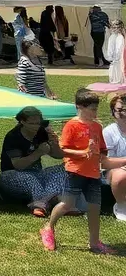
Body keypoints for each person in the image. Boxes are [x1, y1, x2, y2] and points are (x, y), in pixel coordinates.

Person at [41, 89, 116, 254]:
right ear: (79, 107)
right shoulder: (72, 125)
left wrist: (101, 154)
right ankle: (48, 228)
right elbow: (63, 150)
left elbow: (102, 148)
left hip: (94, 172)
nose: (95, 113)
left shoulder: (96, 126)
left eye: (96, 109)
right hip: (75, 171)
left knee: (95, 208)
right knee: (67, 204)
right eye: (92, 109)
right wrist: (83, 153)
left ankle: (95, 243)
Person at [0, 106, 67, 217]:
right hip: (11, 175)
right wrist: (38, 152)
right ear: (22, 122)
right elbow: (18, 165)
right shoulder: (13, 136)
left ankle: (46, 199)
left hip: (38, 173)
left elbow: (58, 155)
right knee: (30, 179)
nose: (36, 126)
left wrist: (54, 144)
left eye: (38, 123)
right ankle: (42, 204)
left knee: (64, 169)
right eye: (32, 124)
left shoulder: (41, 132)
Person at [101, 91, 126, 221]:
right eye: (120, 110)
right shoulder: (109, 132)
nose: (124, 113)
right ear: (113, 112)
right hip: (112, 170)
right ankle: (121, 206)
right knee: (121, 175)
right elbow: (105, 162)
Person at [105, 19, 126, 85]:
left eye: (117, 27)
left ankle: (119, 80)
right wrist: (110, 56)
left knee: (119, 68)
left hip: (119, 58)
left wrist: (117, 57)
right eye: (114, 27)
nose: (115, 29)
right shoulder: (112, 37)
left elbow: (120, 48)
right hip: (113, 58)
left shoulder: (120, 37)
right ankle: (114, 80)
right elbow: (110, 48)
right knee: (113, 68)